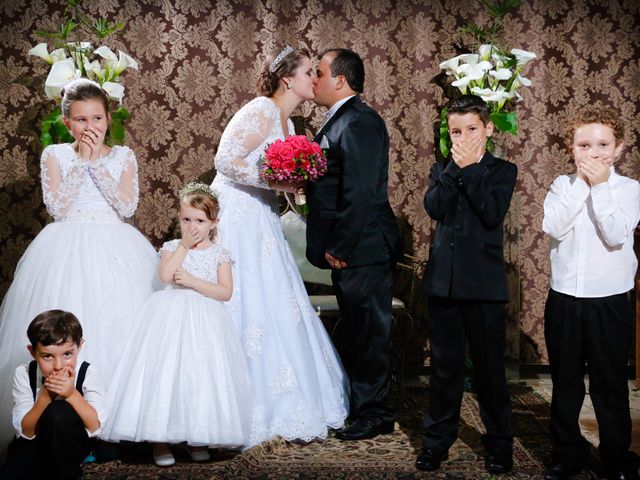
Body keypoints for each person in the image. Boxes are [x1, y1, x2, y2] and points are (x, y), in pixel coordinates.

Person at [0, 78, 159, 451]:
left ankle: (121, 427)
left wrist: (98, 165)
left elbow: (126, 207)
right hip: (65, 246)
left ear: (109, 118)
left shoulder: (123, 156)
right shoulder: (55, 154)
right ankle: (69, 430)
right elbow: (57, 208)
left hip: (117, 246)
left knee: (123, 329)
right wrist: (82, 163)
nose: (91, 128)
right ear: (67, 122)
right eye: (81, 120)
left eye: (97, 118)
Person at [210, 46, 348, 446]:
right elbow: (224, 160)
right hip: (237, 214)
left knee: (274, 301)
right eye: (309, 72)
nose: (314, 79)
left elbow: (279, 177)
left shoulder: (290, 126)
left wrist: (294, 189)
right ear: (288, 79)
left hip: (262, 216)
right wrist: (275, 182)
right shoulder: (261, 110)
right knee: (242, 297)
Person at [102, 183, 251, 466]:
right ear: (179, 218)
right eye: (186, 220)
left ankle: (196, 437)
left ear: (213, 223)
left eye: (199, 221)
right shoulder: (172, 247)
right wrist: (183, 246)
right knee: (167, 374)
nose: (192, 226)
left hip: (206, 322)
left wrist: (194, 281)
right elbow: (166, 275)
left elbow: (225, 292)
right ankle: (160, 441)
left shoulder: (221, 253)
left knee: (199, 376)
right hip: (170, 319)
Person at [416, 95, 516, 474]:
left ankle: (499, 445)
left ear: (488, 130)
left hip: (484, 288)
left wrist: (472, 168)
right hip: (443, 285)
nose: (463, 137)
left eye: (471, 129)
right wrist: (455, 171)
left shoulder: (503, 171)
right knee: (444, 369)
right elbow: (434, 208)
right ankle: (436, 441)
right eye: (456, 131)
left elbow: (491, 214)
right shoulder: (441, 169)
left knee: (490, 370)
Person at [306, 48, 400, 441]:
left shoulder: (360, 122)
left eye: (320, 73)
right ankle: (365, 407)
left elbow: (360, 193)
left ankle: (374, 415)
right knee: (359, 331)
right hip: (355, 248)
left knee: (369, 334)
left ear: (340, 81)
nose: (313, 80)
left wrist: (340, 247)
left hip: (363, 249)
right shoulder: (339, 121)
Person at [542, 106, 640, 480]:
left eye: (603, 144)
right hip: (565, 297)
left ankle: (617, 457)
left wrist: (600, 187)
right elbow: (554, 226)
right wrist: (583, 185)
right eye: (584, 145)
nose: (594, 153)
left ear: (618, 149)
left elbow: (617, 234)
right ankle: (568, 453)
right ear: (571, 148)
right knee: (565, 383)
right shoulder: (561, 186)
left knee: (609, 383)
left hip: (610, 300)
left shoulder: (629, 190)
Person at [0, 310, 106, 479]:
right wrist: (44, 397)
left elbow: (95, 427)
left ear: (79, 346)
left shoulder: (88, 372)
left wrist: (71, 395)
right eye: (47, 356)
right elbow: (25, 431)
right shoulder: (24, 373)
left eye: (67, 354)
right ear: (32, 352)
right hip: (35, 442)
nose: (58, 366)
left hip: (73, 443)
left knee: (59, 411)